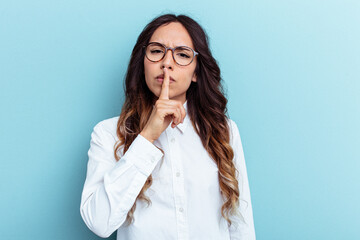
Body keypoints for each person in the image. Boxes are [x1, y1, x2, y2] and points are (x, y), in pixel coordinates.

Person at [80, 13, 256, 240]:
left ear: (196, 73)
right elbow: (98, 222)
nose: (167, 63)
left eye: (182, 55)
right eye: (156, 51)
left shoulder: (224, 131)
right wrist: (147, 137)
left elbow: (241, 223)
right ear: (142, 63)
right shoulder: (108, 133)